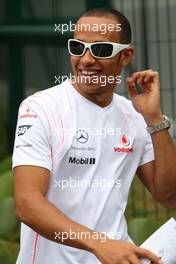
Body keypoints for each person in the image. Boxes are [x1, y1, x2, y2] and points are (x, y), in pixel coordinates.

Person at [12, 8, 176, 264]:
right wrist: (100, 244)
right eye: (77, 47)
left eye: (100, 49)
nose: (86, 59)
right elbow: (27, 202)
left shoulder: (134, 115)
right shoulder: (40, 108)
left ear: (125, 56)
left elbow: (169, 196)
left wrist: (155, 120)